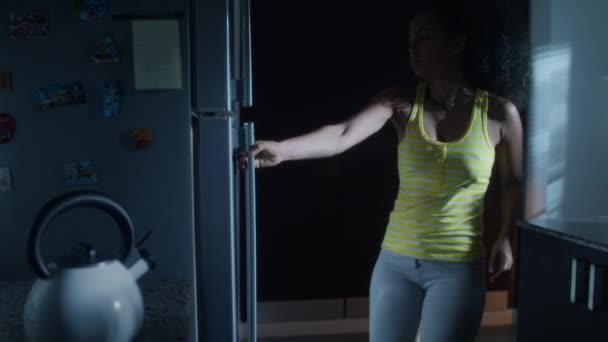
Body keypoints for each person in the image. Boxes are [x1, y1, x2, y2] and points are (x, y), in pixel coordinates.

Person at [240, 1, 523, 341]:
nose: (412, 50)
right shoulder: (400, 103)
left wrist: (506, 236)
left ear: (457, 43)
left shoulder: (499, 113)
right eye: (409, 42)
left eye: (424, 38)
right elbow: (342, 133)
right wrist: (283, 151)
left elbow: (511, 183)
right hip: (396, 263)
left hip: (458, 268)